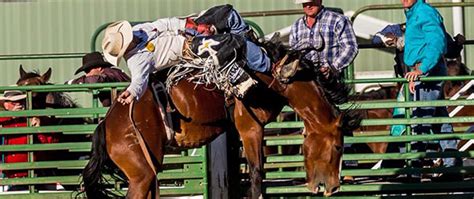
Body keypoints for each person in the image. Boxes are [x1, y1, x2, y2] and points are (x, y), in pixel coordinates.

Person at [103, 17, 253, 105]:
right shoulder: (136, 61)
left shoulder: (139, 29)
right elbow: (138, 80)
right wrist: (132, 92)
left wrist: (193, 25)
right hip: (188, 49)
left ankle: (247, 38)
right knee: (231, 41)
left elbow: (165, 23)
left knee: (225, 11)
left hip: (188, 31)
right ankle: (247, 62)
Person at [401, 0, 459, 170]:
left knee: (421, 120)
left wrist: (421, 70)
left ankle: (415, 169)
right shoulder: (416, 12)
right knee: (439, 120)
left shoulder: (423, 12)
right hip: (426, 69)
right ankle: (451, 165)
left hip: (428, 71)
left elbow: (437, 42)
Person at [186, 4, 271, 73]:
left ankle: (250, 49)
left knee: (228, 12)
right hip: (188, 39)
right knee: (236, 36)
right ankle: (267, 65)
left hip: (186, 34)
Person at [289, 0, 358, 79]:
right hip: (306, 79)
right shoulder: (296, 26)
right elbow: (293, 52)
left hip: (332, 80)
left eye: (312, 2)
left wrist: (333, 68)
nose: (308, 6)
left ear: (320, 1)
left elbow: (350, 47)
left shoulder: (338, 20)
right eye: (305, 3)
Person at [66, 52, 130, 107]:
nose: (87, 75)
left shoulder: (109, 73)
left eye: (88, 70)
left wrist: (72, 83)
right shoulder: (111, 72)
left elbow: (93, 81)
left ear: (99, 68)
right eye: (86, 72)